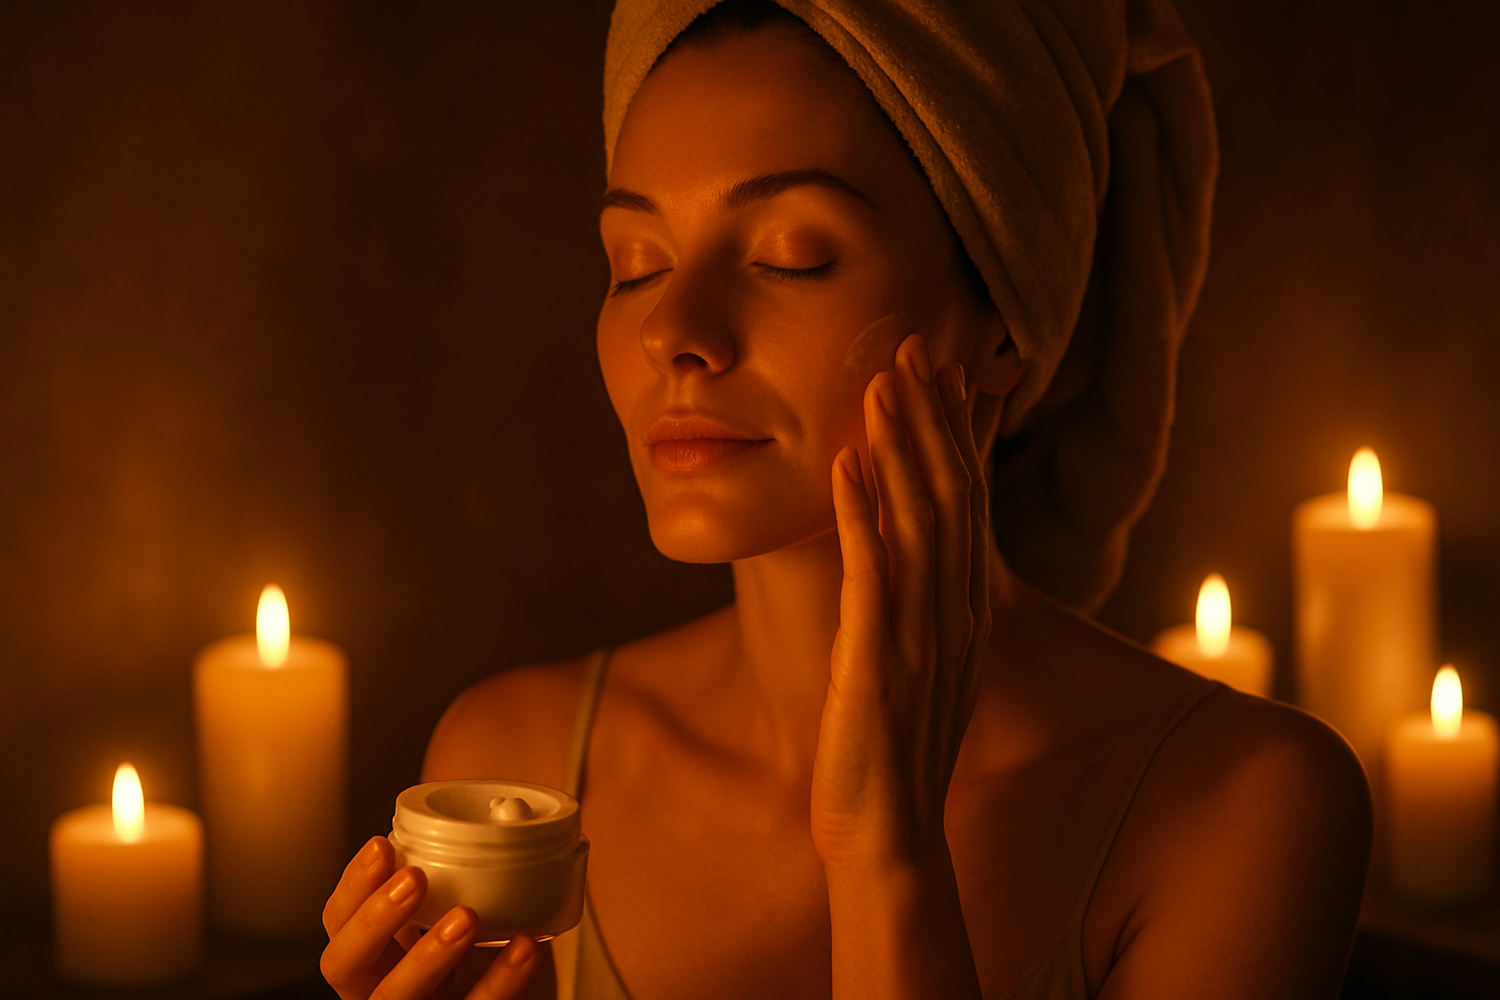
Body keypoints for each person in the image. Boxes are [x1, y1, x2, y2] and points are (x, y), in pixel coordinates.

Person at [320, 2, 1372, 998]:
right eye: (635, 265)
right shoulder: (516, 761)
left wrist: (886, 845)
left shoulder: (1246, 807)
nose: (671, 330)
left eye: (792, 254)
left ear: (1003, 320)